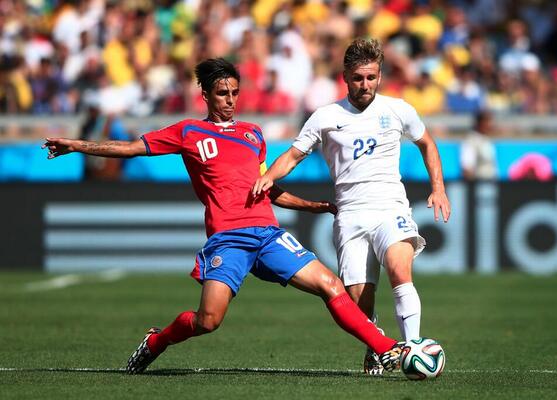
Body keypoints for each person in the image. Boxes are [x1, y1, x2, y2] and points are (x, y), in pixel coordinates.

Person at [42, 58, 405, 375]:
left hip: (267, 234)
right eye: (222, 93)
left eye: (234, 92)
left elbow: (266, 188)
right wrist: (76, 145)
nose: (230, 100)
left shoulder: (253, 134)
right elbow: (132, 148)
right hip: (228, 238)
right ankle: (157, 340)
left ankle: (386, 348)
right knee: (208, 321)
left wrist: (315, 206)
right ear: (205, 95)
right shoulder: (188, 132)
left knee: (331, 285)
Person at [253, 38, 451, 375]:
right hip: (350, 214)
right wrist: (268, 177)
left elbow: (427, 143)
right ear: (345, 76)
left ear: (380, 76)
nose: (365, 84)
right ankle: (376, 346)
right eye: (358, 78)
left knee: (400, 271)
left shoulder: (398, 109)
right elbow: (293, 155)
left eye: (371, 77)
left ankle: (412, 348)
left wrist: (438, 187)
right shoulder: (326, 117)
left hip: (391, 207)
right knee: (361, 301)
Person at [460, 110, 498, 180]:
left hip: (491, 184)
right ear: (480, 123)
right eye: (487, 121)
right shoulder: (471, 141)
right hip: (480, 185)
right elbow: (467, 168)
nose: (490, 125)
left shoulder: (487, 140)